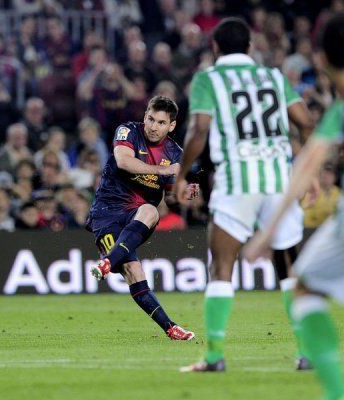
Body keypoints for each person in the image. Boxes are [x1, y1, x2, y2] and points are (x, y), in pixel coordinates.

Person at [175, 18, 314, 372]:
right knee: (290, 270)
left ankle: (214, 356)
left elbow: (200, 129)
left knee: (222, 266)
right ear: (250, 47)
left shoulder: (208, 78)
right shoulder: (274, 77)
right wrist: (308, 171)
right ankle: (307, 352)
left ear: (216, 48)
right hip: (280, 181)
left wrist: (182, 173)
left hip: (237, 180)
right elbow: (306, 123)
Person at [244, 14, 344, 400]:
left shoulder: (338, 111)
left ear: (320, 59)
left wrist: (266, 234)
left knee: (303, 286)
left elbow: (304, 168)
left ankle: (335, 393)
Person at [87, 95, 199, 341]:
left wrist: (183, 192)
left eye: (160, 122)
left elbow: (169, 197)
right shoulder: (127, 131)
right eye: (150, 118)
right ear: (145, 115)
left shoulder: (175, 153)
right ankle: (171, 328)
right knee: (133, 270)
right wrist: (165, 170)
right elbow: (124, 162)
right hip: (106, 215)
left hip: (137, 215)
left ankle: (106, 262)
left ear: (171, 126)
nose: (152, 126)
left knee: (151, 210)